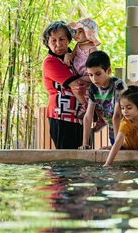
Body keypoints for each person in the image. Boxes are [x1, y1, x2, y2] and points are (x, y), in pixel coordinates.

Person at [41, 20, 89, 149]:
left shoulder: (77, 57)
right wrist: (91, 78)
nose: (58, 44)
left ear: (69, 39)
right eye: (53, 41)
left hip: (82, 116)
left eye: (62, 39)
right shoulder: (50, 62)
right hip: (62, 116)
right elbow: (76, 84)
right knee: (66, 160)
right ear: (47, 43)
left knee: (84, 160)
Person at [78, 51, 126, 150]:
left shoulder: (118, 85)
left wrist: (117, 144)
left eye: (98, 74)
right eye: (90, 75)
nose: (94, 78)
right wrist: (85, 143)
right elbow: (88, 116)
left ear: (108, 71)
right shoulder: (93, 88)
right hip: (113, 133)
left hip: (126, 133)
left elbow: (117, 116)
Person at [65, 18, 101, 118]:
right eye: (76, 31)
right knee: (76, 87)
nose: (76, 34)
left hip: (89, 76)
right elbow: (72, 56)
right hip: (80, 74)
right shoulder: (78, 45)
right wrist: (68, 55)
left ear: (89, 33)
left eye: (81, 31)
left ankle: (85, 106)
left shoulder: (92, 48)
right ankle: (88, 107)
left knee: (73, 83)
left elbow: (95, 66)